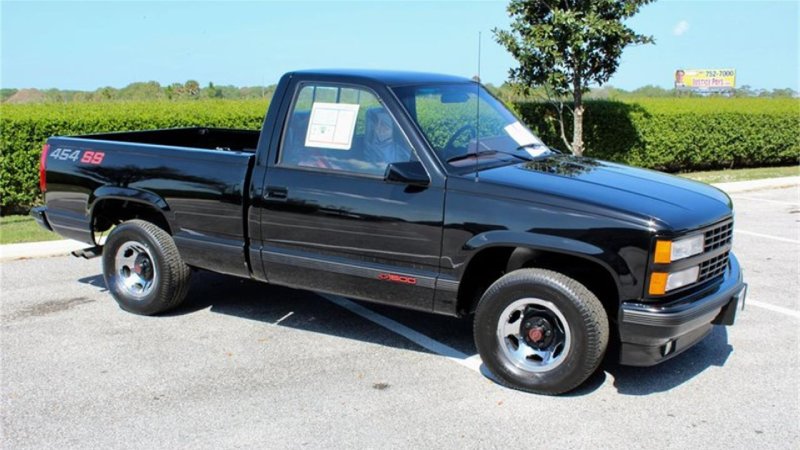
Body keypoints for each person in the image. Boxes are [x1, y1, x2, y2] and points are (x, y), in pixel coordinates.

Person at [363, 108, 411, 173]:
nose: (378, 128)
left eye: (384, 125)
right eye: (376, 123)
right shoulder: (369, 145)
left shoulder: (401, 151)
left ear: (394, 128)